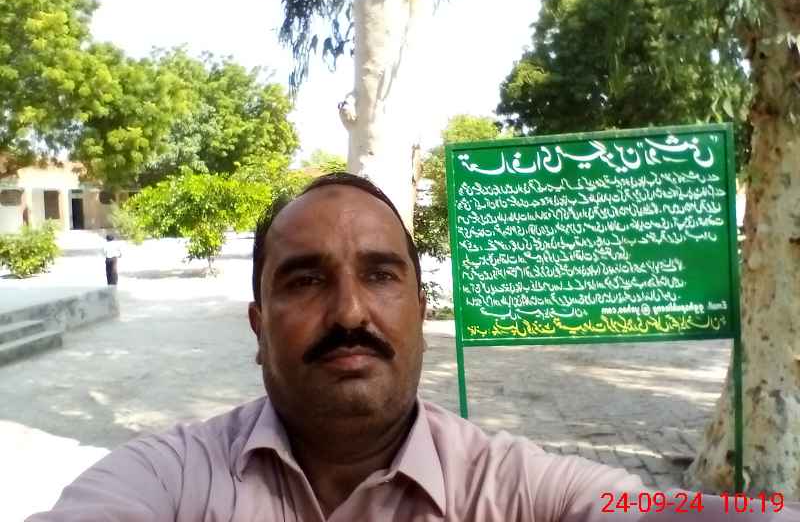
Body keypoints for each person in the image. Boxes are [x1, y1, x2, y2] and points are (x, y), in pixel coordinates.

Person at [28, 173, 797, 521]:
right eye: (305, 279)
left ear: (420, 313)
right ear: (258, 326)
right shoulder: (171, 478)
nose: (350, 311)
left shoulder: (509, 486)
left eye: (380, 275)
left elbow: (651, 508)